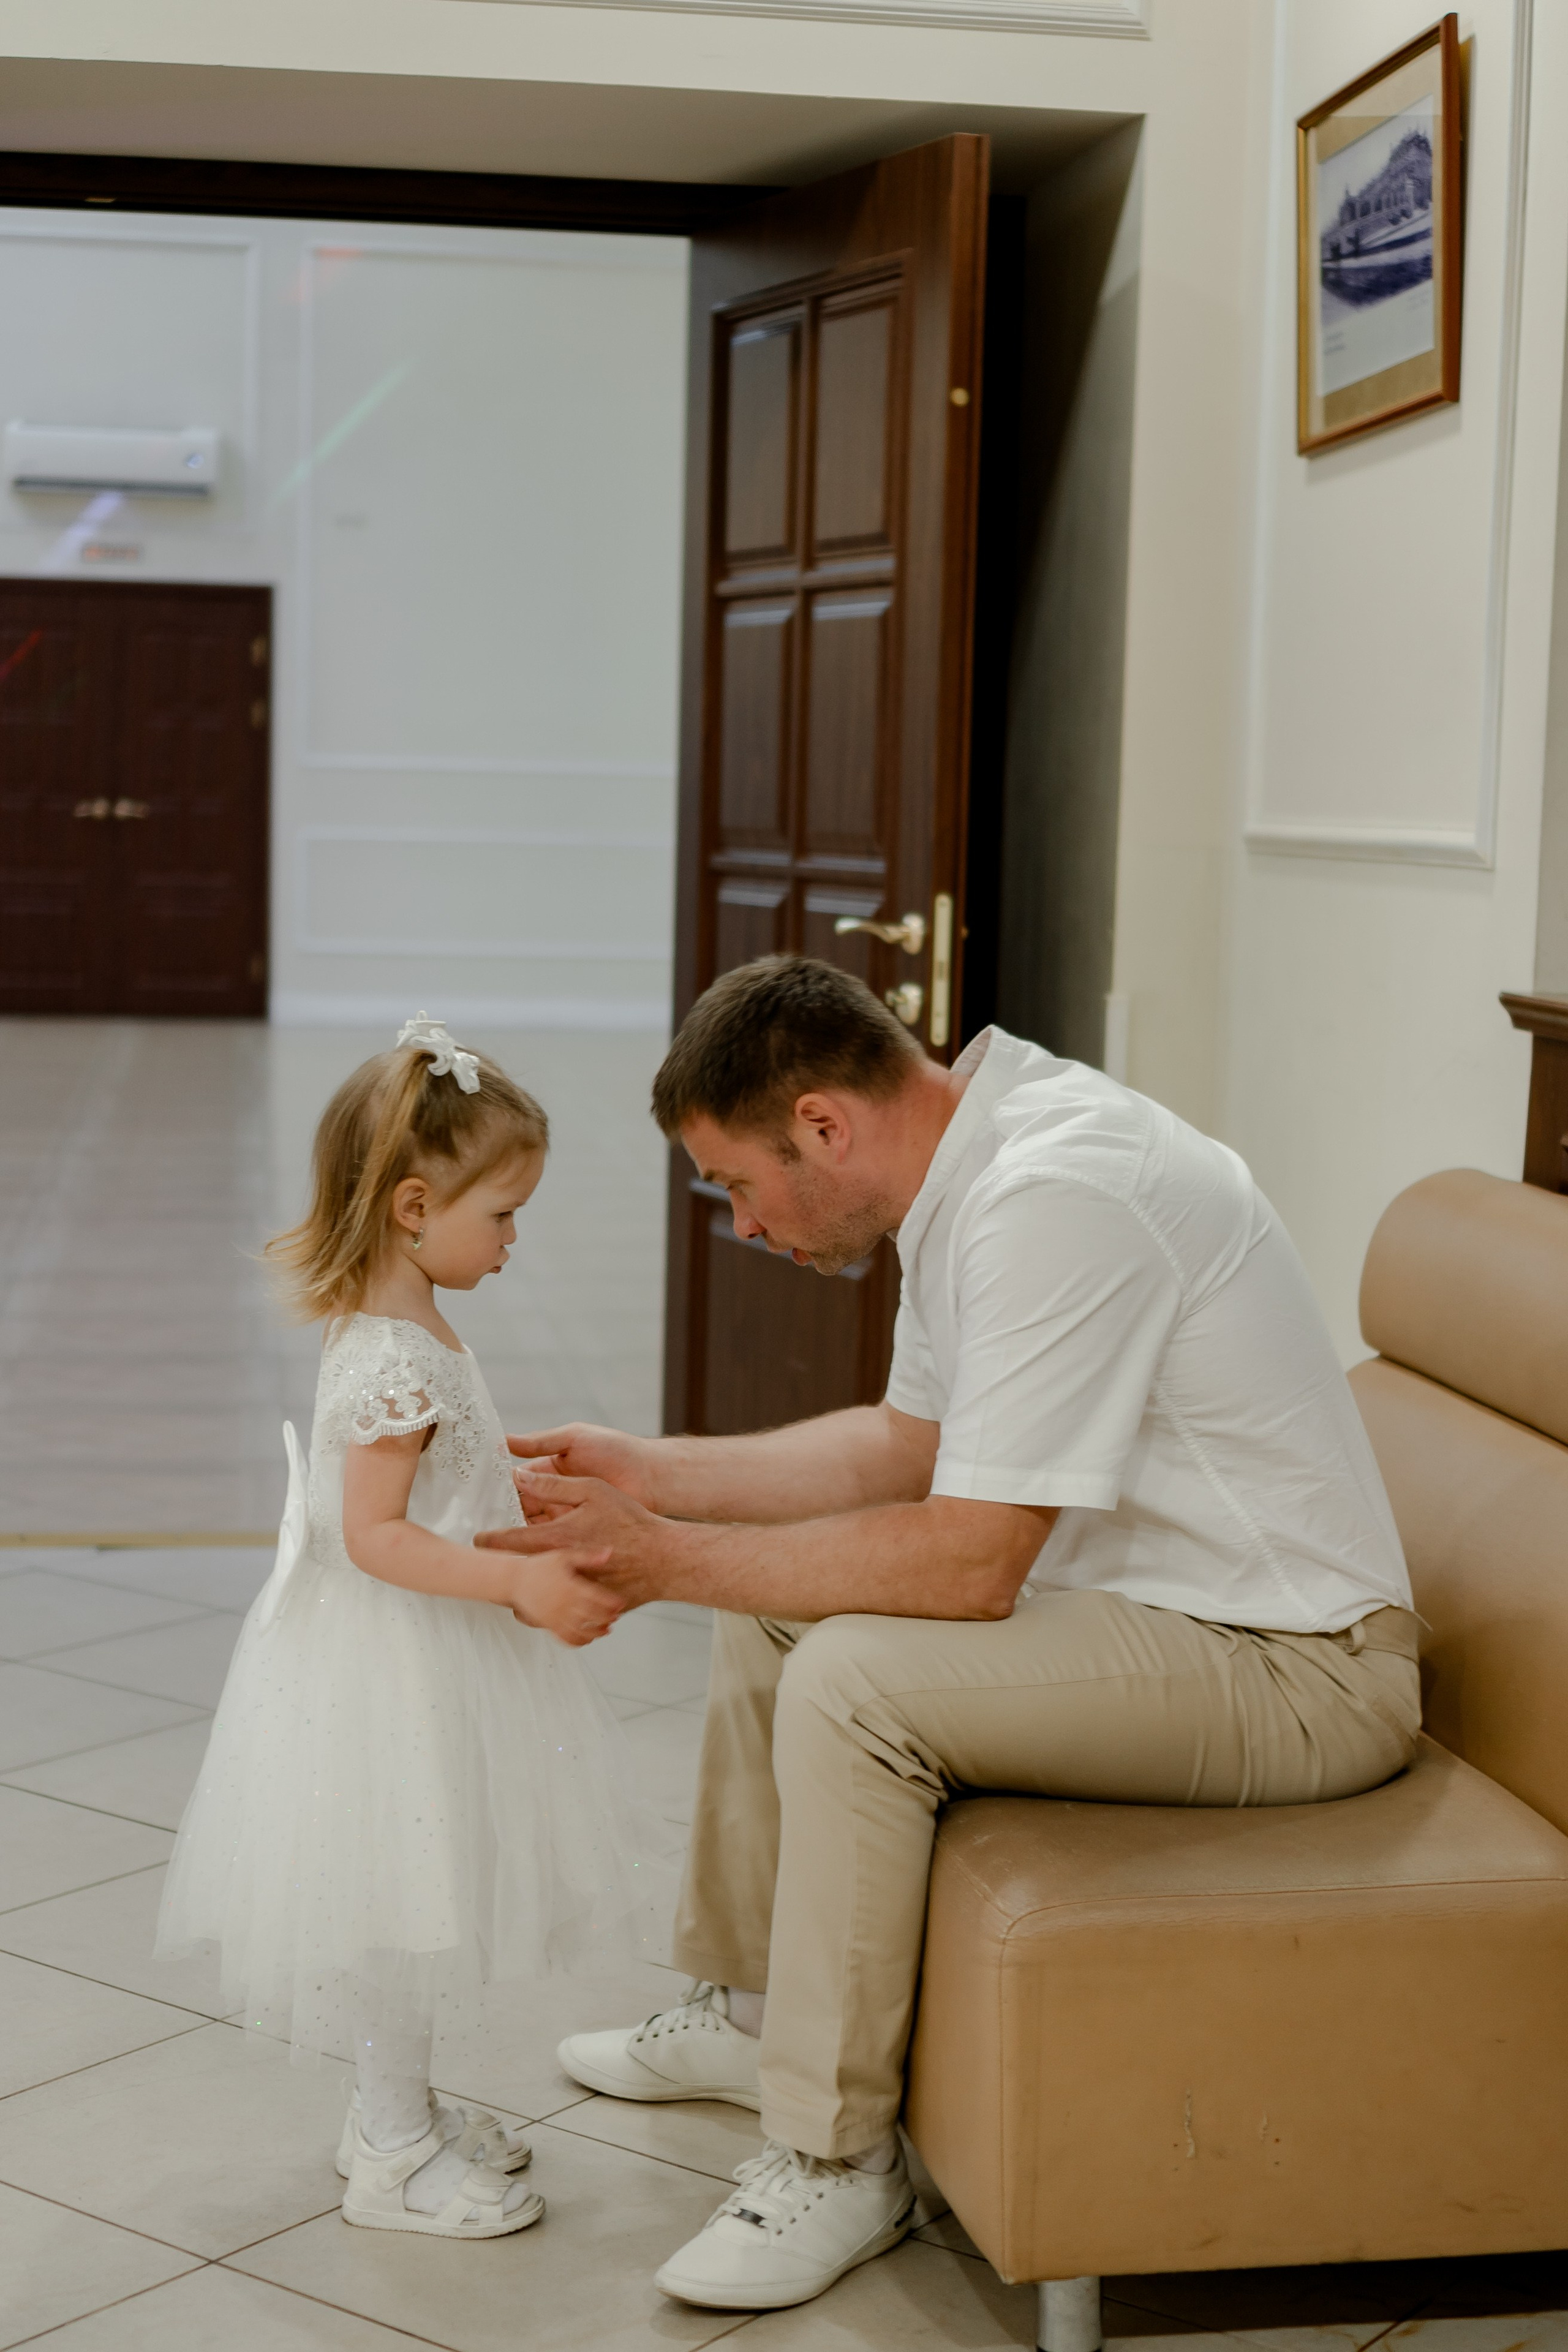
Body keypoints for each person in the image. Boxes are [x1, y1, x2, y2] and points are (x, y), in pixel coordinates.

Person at [477, 955, 1422, 2314]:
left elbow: (976, 1562)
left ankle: (834, 2155)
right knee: (780, 1602)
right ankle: (750, 2018)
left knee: (853, 1677)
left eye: (738, 1185)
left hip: (1301, 1668)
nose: (743, 1228)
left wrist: (667, 1559)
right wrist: (652, 1471)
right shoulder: (977, 1157)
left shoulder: (1053, 1193)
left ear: (821, 1124)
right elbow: (904, 1449)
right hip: (1164, 1617)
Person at [157, 1014, 665, 2242]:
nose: (512, 1239)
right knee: (401, 1910)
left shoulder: (402, 1326)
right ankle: (390, 2152)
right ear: (412, 1206)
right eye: (501, 1215)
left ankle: (400, 2113)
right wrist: (516, 1586)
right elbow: (374, 1534)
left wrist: (501, 1495)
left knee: (419, 1902)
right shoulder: (393, 1355)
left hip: (411, 1654)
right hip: (396, 1665)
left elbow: (428, 1484)